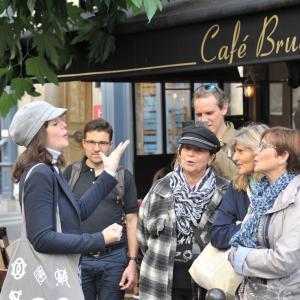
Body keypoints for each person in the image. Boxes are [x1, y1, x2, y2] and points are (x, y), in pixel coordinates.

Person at [8, 101, 128, 268]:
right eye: (55, 123)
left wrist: (108, 173)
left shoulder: (51, 169)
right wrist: (100, 238)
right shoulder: (40, 173)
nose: (65, 125)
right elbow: (41, 239)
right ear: (39, 134)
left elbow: (78, 211)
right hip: (50, 278)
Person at [137, 124, 229, 300]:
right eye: (186, 148)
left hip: (207, 284)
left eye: (199, 150)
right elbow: (143, 234)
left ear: (211, 158)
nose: (191, 154)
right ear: (180, 153)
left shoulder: (225, 191)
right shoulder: (161, 188)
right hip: (160, 281)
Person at [63, 118, 138, 300]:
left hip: (113, 257)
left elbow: (132, 220)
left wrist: (132, 262)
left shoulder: (123, 177)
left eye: (102, 143)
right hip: (78, 257)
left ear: (110, 145)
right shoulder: (70, 174)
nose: (97, 148)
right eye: (91, 142)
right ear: (83, 143)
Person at [229, 127, 300, 299]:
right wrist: (238, 253)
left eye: (263, 147)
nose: (256, 153)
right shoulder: (263, 194)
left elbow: (283, 260)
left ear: (283, 156)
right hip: (253, 292)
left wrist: (241, 256)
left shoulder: (296, 196)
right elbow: (238, 243)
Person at [210, 123, 268, 249]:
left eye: (240, 151)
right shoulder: (237, 186)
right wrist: (248, 226)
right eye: (235, 151)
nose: (235, 157)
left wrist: (240, 225)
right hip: (243, 266)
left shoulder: (283, 186)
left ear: (258, 151)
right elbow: (217, 235)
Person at [193, 86, 237, 180]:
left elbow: (240, 179)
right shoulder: (192, 139)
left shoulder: (240, 140)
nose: (203, 119)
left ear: (224, 108)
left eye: (209, 113)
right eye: (199, 115)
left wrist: (211, 146)